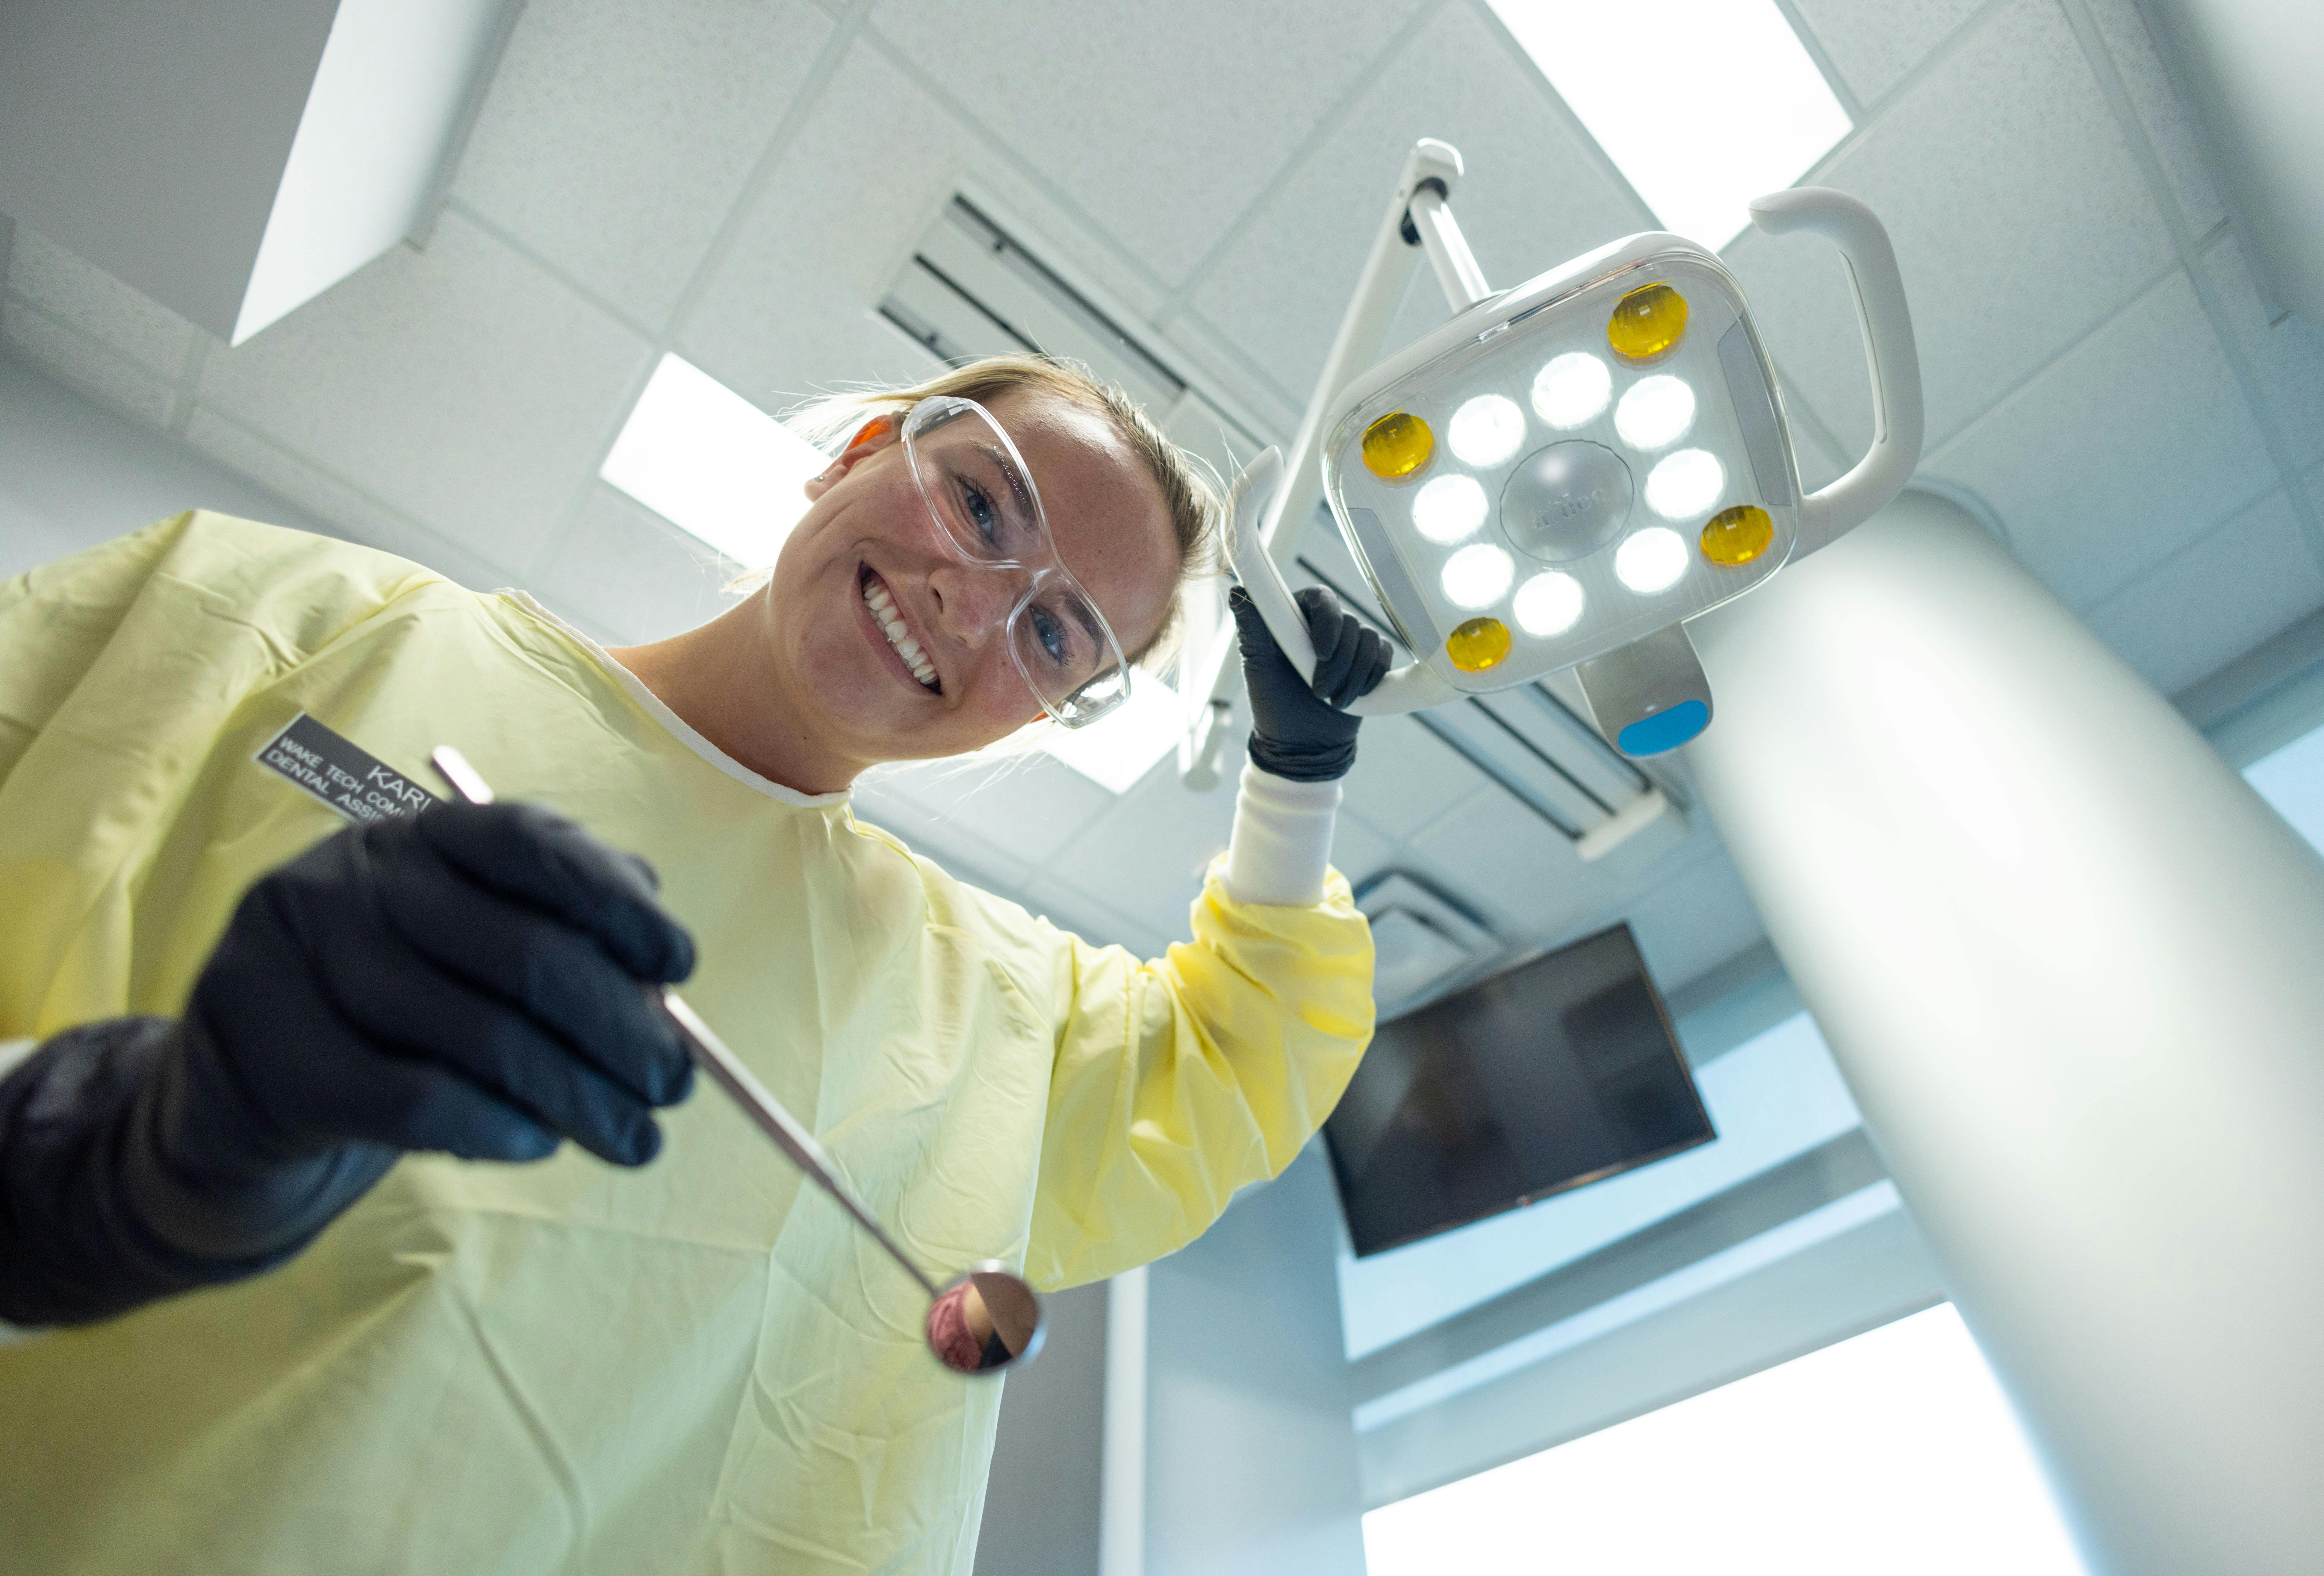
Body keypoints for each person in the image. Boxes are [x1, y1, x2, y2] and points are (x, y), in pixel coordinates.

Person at [0, 355, 1388, 1573]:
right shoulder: (296, 618)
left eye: (1052, 633)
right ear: (861, 449)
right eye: (981, 503)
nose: (974, 604)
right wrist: (116, 1139)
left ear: (1037, 715)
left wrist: (1297, 777)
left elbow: (1233, 1050)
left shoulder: (995, 1009)